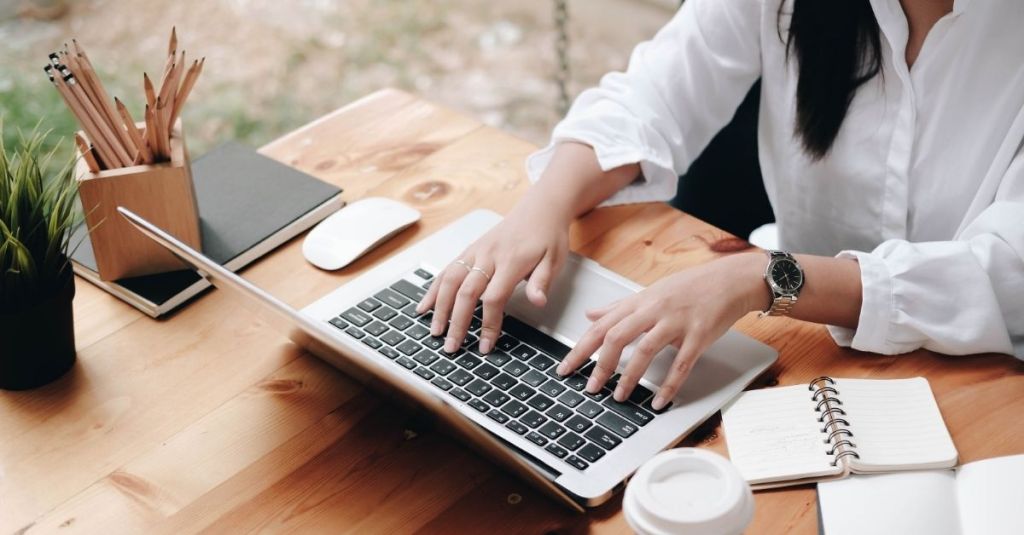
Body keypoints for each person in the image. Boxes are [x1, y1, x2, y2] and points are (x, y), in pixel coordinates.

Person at [417, 0, 1024, 411]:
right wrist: (540, 209)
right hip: (801, 347)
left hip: (982, 377)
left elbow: (1005, 273)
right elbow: (652, 95)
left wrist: (764, 276)